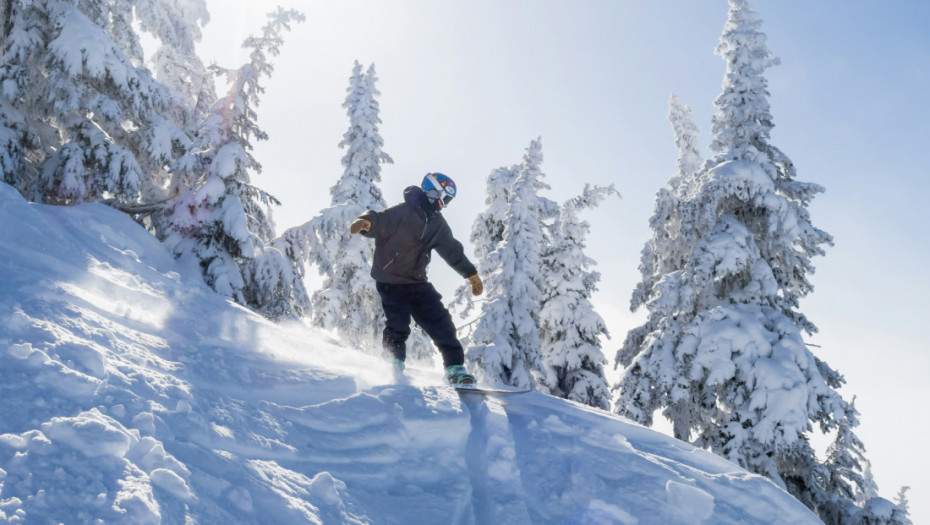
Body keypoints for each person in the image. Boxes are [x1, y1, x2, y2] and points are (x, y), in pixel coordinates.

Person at [350, 173, 483, 385]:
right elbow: (380, 219)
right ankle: (392, 365)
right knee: (398, 323)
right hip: (391, 282)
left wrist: (471, 274)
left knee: (442, 322)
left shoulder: (437, 223)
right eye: (445, 199)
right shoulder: (403, 212)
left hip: (417, 283)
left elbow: (452, 250)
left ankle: (455, 369)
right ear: (433, 192)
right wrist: (365, 222)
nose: (445, 205)